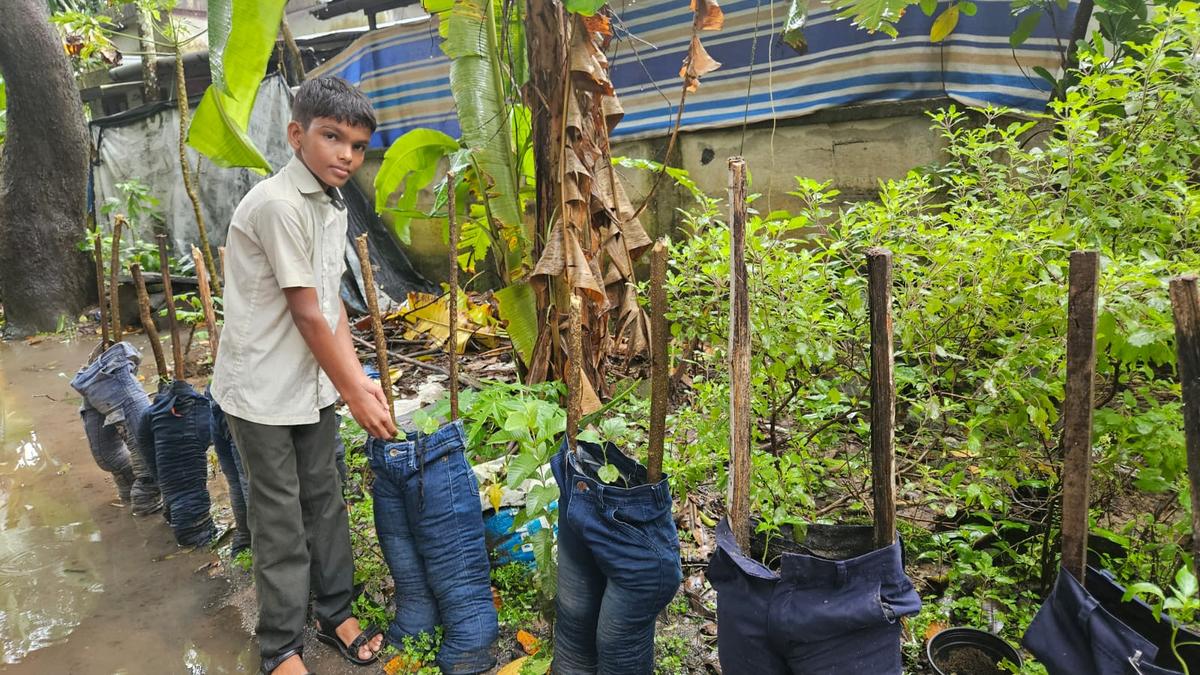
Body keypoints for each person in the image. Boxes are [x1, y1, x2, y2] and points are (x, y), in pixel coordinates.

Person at [211, 76, 398, 675]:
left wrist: (357, 380)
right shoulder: (278, 205)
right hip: (263, 390)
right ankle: (280, 647)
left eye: (358, 145)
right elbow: (304, 311)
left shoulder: (330, 204)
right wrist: (354, 390)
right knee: (281, 518)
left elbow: (333, 305)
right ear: (297, 135)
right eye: (332, 137)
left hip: (311, 384)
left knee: (326, 500)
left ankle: (335, 611)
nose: (347, 154)